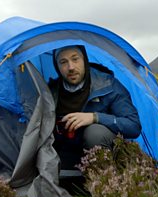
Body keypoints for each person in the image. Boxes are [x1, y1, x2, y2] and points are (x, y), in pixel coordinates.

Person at [49, 45, 141, 178]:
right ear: (57, 66)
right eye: (63, 62)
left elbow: (133, 126)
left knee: (95, 132)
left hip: (103, 152)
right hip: (64, 155)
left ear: (85, 59)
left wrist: (95, 117)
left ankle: (105, 183)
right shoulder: (50, 92)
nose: (71, 67)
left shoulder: (108, 85)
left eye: (75, 59)